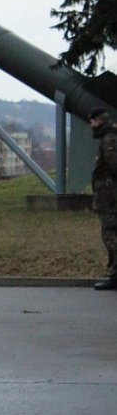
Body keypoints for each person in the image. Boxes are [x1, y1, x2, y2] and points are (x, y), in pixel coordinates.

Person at [90, 107, 117, 291]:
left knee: (110, 235)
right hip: (109, 196)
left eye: (92, 121)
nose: (90, 125)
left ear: (99, 121)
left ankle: (115, 275)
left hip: (111, 198)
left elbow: (114, 165)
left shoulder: (109, 139)